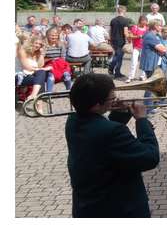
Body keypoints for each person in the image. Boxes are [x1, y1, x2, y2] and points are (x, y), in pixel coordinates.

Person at [65, 74, 159, 217]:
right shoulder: (113, 131)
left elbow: (103, 141)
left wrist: (120, 114)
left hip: (87, 206)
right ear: (96, 105)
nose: (115, 100)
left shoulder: (73, 121)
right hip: (118, 209)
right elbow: (150, 157)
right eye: (111, 99)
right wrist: (142, 120)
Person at [16, 36, 49, 108]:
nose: (38, 45)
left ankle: (33, 95)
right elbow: (27, 67)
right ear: (31, 43)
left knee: (41, 75)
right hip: (20, 75)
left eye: (40, 44)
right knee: (40, 79)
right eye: (36, 43)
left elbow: (40, 65)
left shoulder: (37, 53)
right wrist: (44, 69)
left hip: (30, 75)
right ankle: (39, 107)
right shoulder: (22, 51)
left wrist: (41, 54)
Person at [44, 27, 72, 91]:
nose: (54, 37)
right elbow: (42, 59)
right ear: (48, 36)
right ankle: (49, 93)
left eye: (56, 35)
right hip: (49, 65)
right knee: (51, 76)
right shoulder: (44, 46)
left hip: (60, 64)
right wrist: (51, 59)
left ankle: (69, 91)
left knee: (67, 75)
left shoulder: (61, 45)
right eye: (52, 35)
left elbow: (63, 58)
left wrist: (57, 61)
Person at [109, 6, 132, 80]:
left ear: (118, 11)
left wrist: (110, 39)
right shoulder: (125, 21)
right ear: (124, 11)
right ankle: (117, 73)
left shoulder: (113, 20)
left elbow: (110, 31)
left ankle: (111, 69)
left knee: (116, 55)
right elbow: (125, 33)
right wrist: (129, 39)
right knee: (119, 57)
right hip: (121, 41)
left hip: (113, 40)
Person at [127, 16, 148, 83]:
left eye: (145, 21)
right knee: (134, 62)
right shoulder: (135, 27)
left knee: (143, 62)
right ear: (140, 21)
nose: (144, 23)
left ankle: (142, 76)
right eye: (143, 21)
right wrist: (138, 36)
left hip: (144, 48)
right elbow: (130, 36)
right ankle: (131, 77)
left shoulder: (147, 28)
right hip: (136, 47)